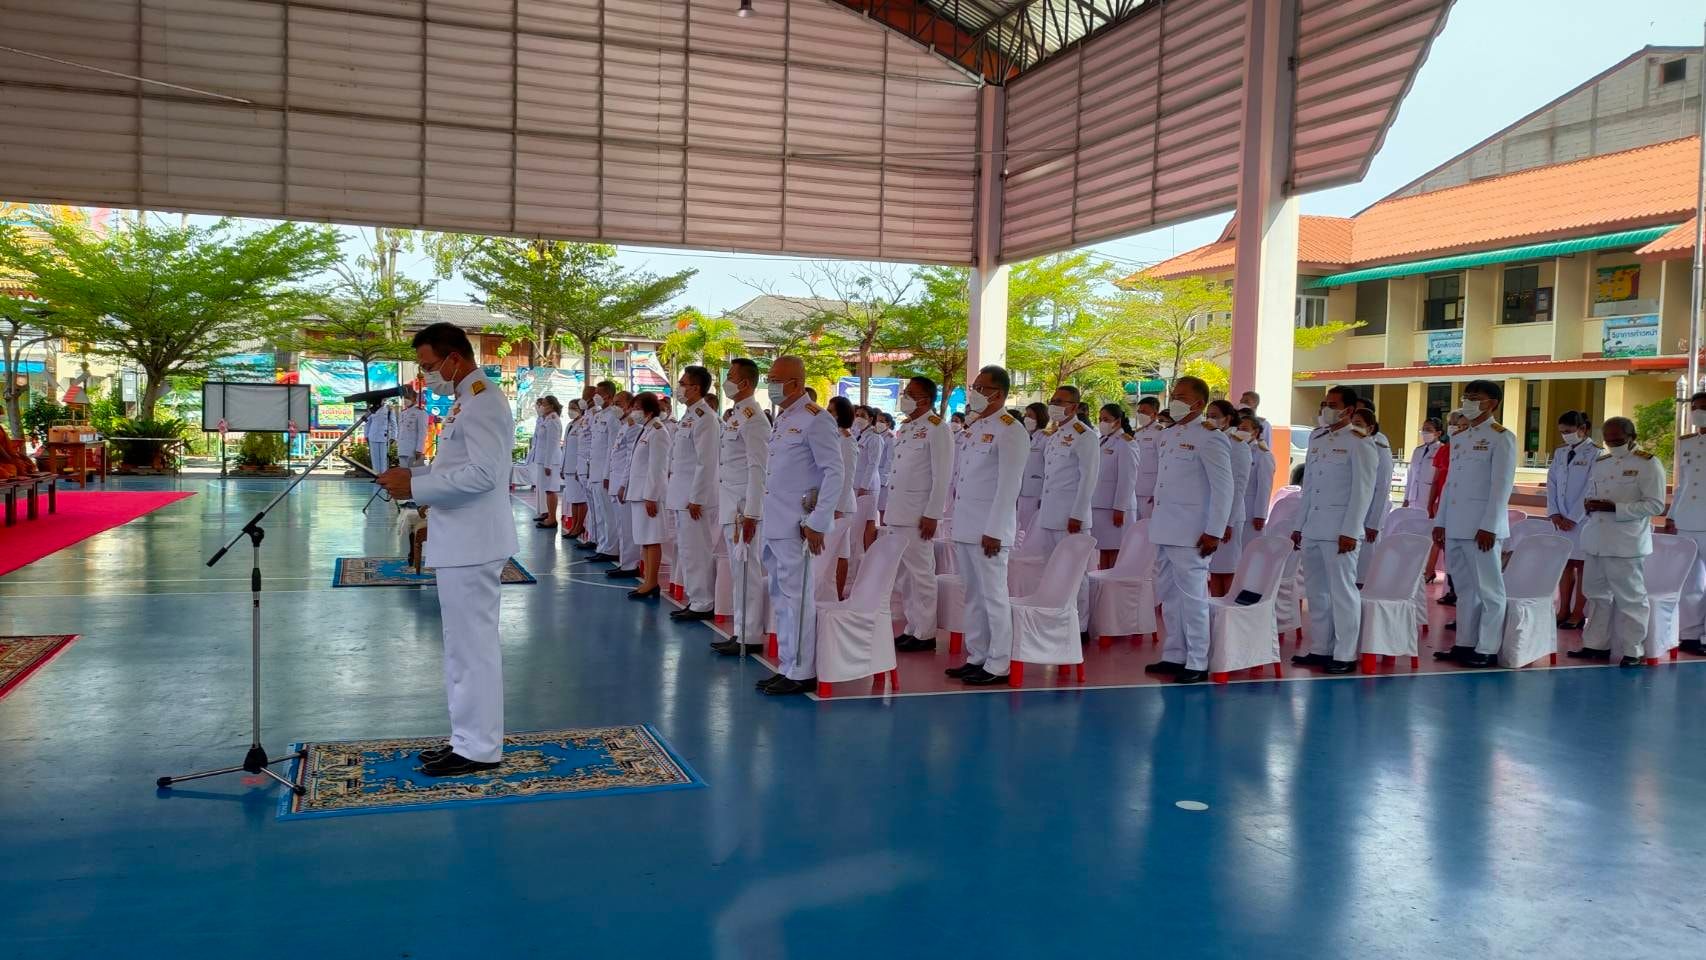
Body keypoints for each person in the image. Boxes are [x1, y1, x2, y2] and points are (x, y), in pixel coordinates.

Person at [375, 322, 517, 777]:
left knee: (473, 648)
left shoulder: (485, 403)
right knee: (460, 647)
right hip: (460, 539)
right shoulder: (465, 401)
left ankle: (479, 748)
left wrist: (416, 484)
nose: (426, 375)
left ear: (455, 357)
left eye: (430, 365)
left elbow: (484, 475)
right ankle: (465, 737)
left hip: (475, 544)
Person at [755, 356, 845, 696]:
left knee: (798, 597)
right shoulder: (784, 420)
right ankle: (790, 664)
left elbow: (834, 472)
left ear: (795, 383)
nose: (771, 384)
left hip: (798, 525)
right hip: (776, 521)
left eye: (776, 378)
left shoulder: (816, 420)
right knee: (781, 596)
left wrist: (818, 520)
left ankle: (803, 670)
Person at [943, 366, 1029, 685]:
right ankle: (977, 655)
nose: (974, 391)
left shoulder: (1011, 430)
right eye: (974, 385)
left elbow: (1009, 485)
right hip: (966, 526)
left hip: (989, 531)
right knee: (973, 594)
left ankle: (998, 663)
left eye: (981, 387)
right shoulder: (977, 426)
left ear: (1000, 394)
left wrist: (994, 530)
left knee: (994, 596)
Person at [1143, 376, 1233, 684]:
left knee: (1193, 598)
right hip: (1165, 528)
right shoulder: (1167, 435)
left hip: (1193, 532)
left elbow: (1224, 489)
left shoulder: (1211, 437)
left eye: (1182, 396)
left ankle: (1197, 660)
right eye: (1174, 394)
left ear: (1199, 403)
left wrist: (1215, 530)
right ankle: (1174, 654)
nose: (1175, 400)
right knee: (1169, 596)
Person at [1286, 387, 1379, 674]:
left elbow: (1362, 492)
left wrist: (1351, 530)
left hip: (1341, 531)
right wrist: (1300, 525)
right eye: (1324, 403)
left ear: (1349, 410)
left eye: (1333, 404)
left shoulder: (1359, 442)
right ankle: (1320, 648)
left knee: (1342, 592)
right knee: (1316, 592)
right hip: (1314, 527)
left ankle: (1345, 653)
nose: (1326, 408)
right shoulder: (1318, 438)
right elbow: (1309, 487)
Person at [1432, 380, 1518, 667]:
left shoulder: (1501, 437)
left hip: (1482, 529)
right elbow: (1451, 483)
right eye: (1466, 397)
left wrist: (1490, 526)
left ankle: (1487, 648)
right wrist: (1441, 521)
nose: (1468, 402)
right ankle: (1465, 643)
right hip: (1456, 524)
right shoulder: (1460, 436)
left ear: (1492, 403)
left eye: (1475, 397)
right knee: (1466, 589)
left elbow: (1500, 486)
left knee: (1489, 591)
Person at [1568, 416, 1665, 665]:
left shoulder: (1648, 464)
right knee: (1596, 595)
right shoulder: (1602, 462)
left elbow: (1655, 505)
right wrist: (1590, 504)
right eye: (1608, 440)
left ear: (1632, 437)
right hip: (1596, 539)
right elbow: (1592, 492)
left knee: (1631, 599)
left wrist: (1616, 508)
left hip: (1625, 543)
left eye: (1618, 440)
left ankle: (1634, 650)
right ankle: (1596, 644)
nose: (1613, 444)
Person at [888, 376, 953, 653]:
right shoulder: (909, 427)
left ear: (925, 400)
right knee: (904, 574)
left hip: (917, 515)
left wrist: (932, 514)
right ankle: (912, 627)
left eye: (911, 393)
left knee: (921, 573)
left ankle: (925, 633)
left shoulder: (938, 429)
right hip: (898, 511)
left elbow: (942, 476)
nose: (905, 396)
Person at [711, 358, 770, 656]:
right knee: (739, 571)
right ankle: (740, 631)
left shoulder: (754, 419)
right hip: (730, 503)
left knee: (747, 570)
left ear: (745, 383)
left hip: (742, 508)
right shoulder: (736, 416)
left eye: (731, 376)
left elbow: (758, 468)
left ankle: (750, 635)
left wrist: (752, 513)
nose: (727, 380)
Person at [1038, 385, 1099, 635]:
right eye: (1053, 400)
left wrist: (1077, 514)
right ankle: (1057, 618)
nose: (1054, 405)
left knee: (1076, 573)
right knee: (1053, 570)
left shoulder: (1084, 435)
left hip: (1071, 518)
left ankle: (1079, 625)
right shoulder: (1054, 435)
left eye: (1060, 401)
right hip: (1051, 515)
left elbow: (1088, 478)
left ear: (1074, 407)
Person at [665, 366, 721, 621]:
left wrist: (697, 498)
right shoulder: (689, 415)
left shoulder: (705, 417)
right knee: (687, 549)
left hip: (693, 498)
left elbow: (706, 462)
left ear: (696, 387)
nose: (680, 387)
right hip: (682, 495)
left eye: (683, 383)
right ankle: (695, 597)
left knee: (697, 550)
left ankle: (703, 602)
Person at [1546, 410, 1596, 630]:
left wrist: (1573, 517)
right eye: (1562, 432)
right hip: (1560, 519)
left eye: (1569, 431)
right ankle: (1563, 609)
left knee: (1583, 565)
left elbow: (1590, 488)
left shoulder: (1596, 453)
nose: (1565, 435)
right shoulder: (1560, 453)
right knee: (1564, 564)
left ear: (1583, 429)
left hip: (1582, 520)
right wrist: (1554, 513)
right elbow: (1552, 484)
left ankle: (1578, 612)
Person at [1668, 393, 1706, 656]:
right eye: (1694, 408)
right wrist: (1672, 514)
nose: (1697, 412)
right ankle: (1690, 635)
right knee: (1691, 582)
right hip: (1688, 519)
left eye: (1702, 408)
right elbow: (1683, 484)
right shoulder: (1688, 443)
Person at [625, 392, 669, 600]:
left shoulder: (658, 431)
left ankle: (652, 582)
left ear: (649, 411)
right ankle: (647, 580)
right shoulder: (646, 429)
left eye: (637, 408)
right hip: (638, 492)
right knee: (644, 539)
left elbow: (657, 467)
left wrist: (651, 496)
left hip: (648, 494)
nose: (633, 412)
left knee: (652, 539)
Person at [1206, 399, 1252, 597]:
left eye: (1215, 416)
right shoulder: (1210, 440)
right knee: (1215, 569)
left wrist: (1228, 522)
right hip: (1213, 514)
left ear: (1228, 419)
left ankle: (1228, 611)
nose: (1210, 420)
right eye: (1208, 415)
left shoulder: (1238, 446)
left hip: (1230, 517)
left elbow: (1239, 486)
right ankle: (1216, 611)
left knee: (1228, 568)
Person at [1089, 402, 1139, 571]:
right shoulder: (1102, 440)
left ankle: (1113, 590)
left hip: (1115, 508)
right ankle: (1104, 590)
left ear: (1117, 421)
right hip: (1100, 505)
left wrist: (1120, 508)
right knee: (1104, 550)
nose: (1102, 422)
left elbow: (1128, 478)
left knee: (1116, 551)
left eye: (1106, 419)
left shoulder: (1126, 443)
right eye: (1100, 419)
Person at [1353, 407, 1394, 586]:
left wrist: (1374, 522)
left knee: (1363, 571)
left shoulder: (1378, 445)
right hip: (1350, 515)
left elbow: (1382, 486)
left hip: (1369, 515)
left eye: (1359, 423)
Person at [604, 391, 643, 577]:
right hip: (616, 481)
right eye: (614, 402)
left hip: (624, 484)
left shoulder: (634, 426)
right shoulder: (623, 426)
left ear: (629, 405)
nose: (615, 406)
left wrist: (623, 484)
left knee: (627, 527)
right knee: (621, 525)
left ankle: (630, 564)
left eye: (619, 403)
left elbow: (630, 459)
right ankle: (624, 561)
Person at [586, 381, 620, 558]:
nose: (595, 396)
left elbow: (611, 448)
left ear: (607, 395)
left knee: (608, 514)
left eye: (598, 393)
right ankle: (601, 545)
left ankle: (611, 548)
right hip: (595, 471)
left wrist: (607, 474)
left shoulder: (613, 417)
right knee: (598, 512)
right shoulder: (599, 415)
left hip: (604, 473)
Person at [528, 395, 563, 529]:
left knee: (550, 490)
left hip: (550, 462)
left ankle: (552, 519)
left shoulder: (553, 420)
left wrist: (548, 464)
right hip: (544, 460)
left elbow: (552, 444)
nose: (541, 406)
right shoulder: (546, 420)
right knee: (547, 490)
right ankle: (549, 516)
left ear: (552, 406)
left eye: (544, 404)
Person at [1240, 412, 1276, 542]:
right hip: (1234, 510)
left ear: (1255, 432)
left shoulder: (1263, 455)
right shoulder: (1234, 450)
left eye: (1244, 429)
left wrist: (1260, 515)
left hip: (1251, 511)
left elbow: (1264, 487)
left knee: (1247, 549)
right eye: (1238, 429)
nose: (1240, 432)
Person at [854, 405, 884, 547]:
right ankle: (859, 550)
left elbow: (873, 464)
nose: (858, 418)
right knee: (857, 521)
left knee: (868, 520)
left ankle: (869, 553)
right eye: (857, 415)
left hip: (868, 486)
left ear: (870, 419)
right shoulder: (858, 435)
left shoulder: (875, 438)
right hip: (856, 483)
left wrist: (864, 486)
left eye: (862, 416)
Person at [558, 398, 589, 540]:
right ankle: (575, 525)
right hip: (568, 466)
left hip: (577, 467)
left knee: (580, 500)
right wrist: (562, 467)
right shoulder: (570, 424)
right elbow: (566, 449)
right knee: (573, 500)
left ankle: (579, 526)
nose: (570, 410)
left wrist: (579, 467)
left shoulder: (584, 423)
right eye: (569, 407)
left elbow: (583, 448)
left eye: (574, 407)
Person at [1017, 401, 1048, 531]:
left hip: (1036, 491)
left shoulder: (1046, 438)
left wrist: (1043, 496)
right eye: (1026, 415)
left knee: (1031, 529)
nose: (1026, 418)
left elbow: (1048, 467)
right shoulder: (1024, 437)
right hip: (1021, 490)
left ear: (1039, 417)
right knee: (1020, 528)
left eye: (1030, 416)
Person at [1131, 396, 1163, 519]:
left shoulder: (1161, 433)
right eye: (1139, 411)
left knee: (1148, 525)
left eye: (1144, 412)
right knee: (1135, 527)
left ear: (1154, 414)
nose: (1140, 414)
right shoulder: (1138, 433)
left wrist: (1157, 492)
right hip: (1135, 488)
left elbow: (1164, 464)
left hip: (1150, 491)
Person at [396, 389, 429, 469]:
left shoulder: (420, 413)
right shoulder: (402, 413)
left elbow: (422, 432)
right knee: (403, 473)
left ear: (414, 399)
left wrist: (419, 449)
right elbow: (400, 431)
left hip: (413, 449)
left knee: (412, 475)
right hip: (402, 448)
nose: (405, 400)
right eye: (404, 397)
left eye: (408, 397)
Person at [364, 397, 393, 472]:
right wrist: (366, 435)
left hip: (384, 437)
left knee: (384, 459)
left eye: (384, 400)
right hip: (372, 435)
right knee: (374, 458)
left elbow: (393, 424)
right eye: (382, 399)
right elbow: (367, 423)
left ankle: (383, 476)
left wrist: (393, 436)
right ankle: (376, 476)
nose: (382, 401)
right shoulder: (372, 409)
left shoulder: (388, 409)